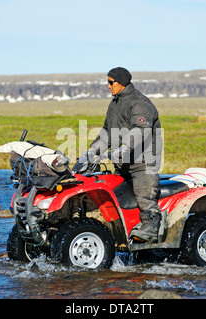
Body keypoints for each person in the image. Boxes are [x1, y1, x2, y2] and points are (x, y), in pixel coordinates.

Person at [83, 67, 162, 243]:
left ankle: (151, 228)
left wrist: (126, 147)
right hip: (122, 163)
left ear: (122, 83)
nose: (108, 86)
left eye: (111, 82)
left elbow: (141, 130)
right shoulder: (115, 104)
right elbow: (107, 133)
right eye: (107, 82)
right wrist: (93, 151)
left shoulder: (140, 103)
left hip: (144, 163)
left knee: (145, 197)